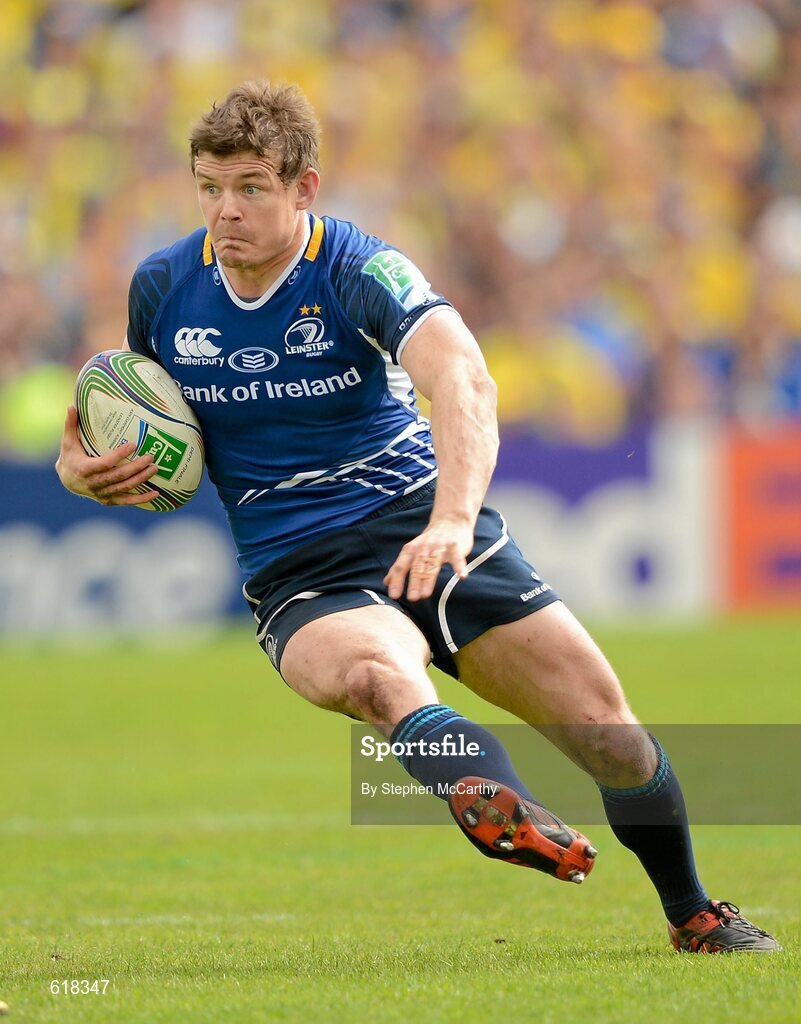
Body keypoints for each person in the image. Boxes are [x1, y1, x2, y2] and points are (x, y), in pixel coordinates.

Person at [56, 80, 778, 954]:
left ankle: (695, 914)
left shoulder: (360, 268)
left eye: (250, 187)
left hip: (424, 524)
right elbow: (130, 414)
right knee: (379, 680)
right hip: (298, 567)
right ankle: (483, 792)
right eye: (209, 187)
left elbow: (463, 380)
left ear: (304, 188)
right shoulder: (165, 286)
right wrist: (78, 467)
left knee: (609, 735)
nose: (225, 210)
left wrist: (450, 519)